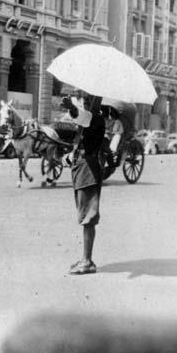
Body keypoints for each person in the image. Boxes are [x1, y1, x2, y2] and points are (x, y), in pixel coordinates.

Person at [62, 93, 105, 275]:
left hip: (88, 170)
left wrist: (72, 109)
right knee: (84, 214)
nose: (86, 103)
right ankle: (85, 258)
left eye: (90, 101)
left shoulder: (96, 119)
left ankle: (87, 261)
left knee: (88, 217)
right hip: (82, 168)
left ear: (97, 103)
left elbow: (83, 117)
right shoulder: (88, 120)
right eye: (85, 100)